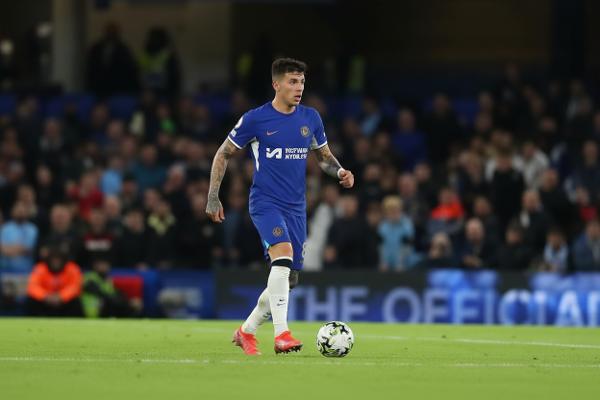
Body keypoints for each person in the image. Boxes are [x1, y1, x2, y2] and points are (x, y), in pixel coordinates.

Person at [205, 58, 354, 355]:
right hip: (265, 202)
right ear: (276, 84)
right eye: (292, 82)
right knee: (282, 256)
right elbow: (223, 153)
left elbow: (323, 157)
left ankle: (246, 331)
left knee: (289, 278)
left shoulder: (310, 118)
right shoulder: (256, 119)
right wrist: (212, 196)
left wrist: (339, 171)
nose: (299, 88)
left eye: (302, 82)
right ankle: (282, 334)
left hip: (296, 207)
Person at [26, 245, 83, 317]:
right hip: (45, 302)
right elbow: (32, 287)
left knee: (76, 301)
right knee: (31, 300)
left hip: (64, 303)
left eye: (58, 260)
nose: (56, 262)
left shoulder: (72, 268)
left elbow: (75, 287)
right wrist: (45, 296)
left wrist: (61, 296)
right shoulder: (40, 268)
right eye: (53, 260)